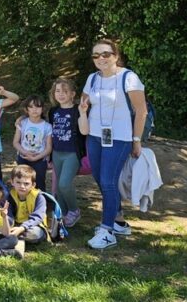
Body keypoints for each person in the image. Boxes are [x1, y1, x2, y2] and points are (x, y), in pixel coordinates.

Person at [80, 39, 148, 250]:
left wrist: (136, 140)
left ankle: (107, 230)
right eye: (96, 55)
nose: (101, 58)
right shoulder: (92, 78)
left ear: (116, 56)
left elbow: (141, 111)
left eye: (106, 54)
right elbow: (84, 103)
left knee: (109, 181)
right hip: (95, 137)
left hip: (119, 138)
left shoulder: (129, 78)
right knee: (100, 179)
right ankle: (118, 221)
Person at [49, 77, 88, 227]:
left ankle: (74, 210)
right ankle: (63, 214)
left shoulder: (78, 110)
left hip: (72, 153)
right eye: (57, 91)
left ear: (72, 94)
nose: (60, 94)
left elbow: (84, 131)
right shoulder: (53, 111)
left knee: (64, 184)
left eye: (65, 91)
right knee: (59, 187)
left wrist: (83, 113)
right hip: (57, 153)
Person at [12, 95, 53, 192]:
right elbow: (15, 142)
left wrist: (36, 157)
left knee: (39, 185)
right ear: (26, 109)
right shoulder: (22, 123)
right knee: (22, 183)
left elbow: (48, 148)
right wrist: (25, 152)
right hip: (23, 158)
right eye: (31, 107)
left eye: (38, 106)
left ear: (43, 109)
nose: (34, 109)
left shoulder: (47, 126)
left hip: (40, 160)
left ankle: (40, 201)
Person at [7, 165, 48, 246]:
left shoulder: (39, 197)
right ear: (12, 182)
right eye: (18, 182)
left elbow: (38, 217)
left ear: (33, 185)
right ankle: (16, 236)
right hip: (16, 225)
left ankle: (14, 237)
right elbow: (9, 215)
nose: (22, 186)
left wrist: (22, 228)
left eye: (26, 183)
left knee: (35, 234)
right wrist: (8, 226)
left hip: (33, 226)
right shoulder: (10, 196)